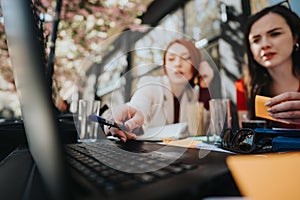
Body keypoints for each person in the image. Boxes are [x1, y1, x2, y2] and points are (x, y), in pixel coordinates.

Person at [105, 38, 212, 142]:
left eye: (186, 58)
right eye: (171, 59)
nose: (178, 64)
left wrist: (204, 86)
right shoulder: (151, 85)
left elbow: (204, 129)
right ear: (165, 66)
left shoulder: (193, 94)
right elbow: (138, 106)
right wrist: (130, 117)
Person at [236, 4, 300, 127]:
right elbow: (247, 140)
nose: (264, 44)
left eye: (275, 34)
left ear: (295, 37)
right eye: (256, 40)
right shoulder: (244, 87)